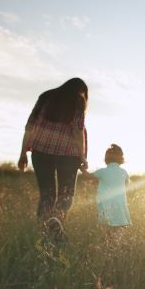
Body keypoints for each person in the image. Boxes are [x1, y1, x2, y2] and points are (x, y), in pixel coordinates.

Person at [18, 77, 89, 241]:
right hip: (68, 154)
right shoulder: (77, 100)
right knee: (67, 194)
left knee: (46, 195)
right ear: (80, 91)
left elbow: (30, 126)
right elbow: (78, 131)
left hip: (40, 152)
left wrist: (23, 153)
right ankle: (56, 221)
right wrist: (82, 156)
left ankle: (43, 233)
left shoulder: (46, 97)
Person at [82, 144, 132, 227]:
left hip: (105, 202)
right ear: (121, 158)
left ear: (106, 159)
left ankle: (108, 238)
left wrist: (81, 168)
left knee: (106, 224)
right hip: (119, 202)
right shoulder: (123, 172)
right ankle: (114, 238)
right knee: (120, 224)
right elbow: (127, 183)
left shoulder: (103, 171)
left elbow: (88, 176)